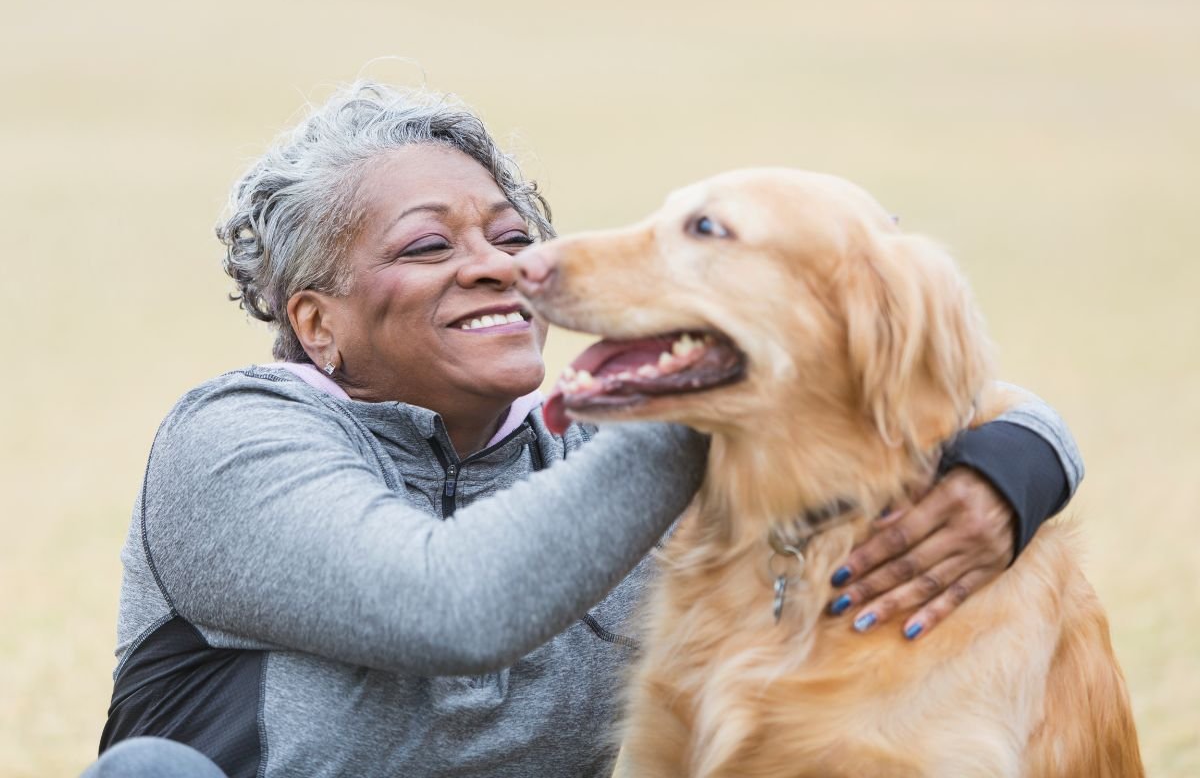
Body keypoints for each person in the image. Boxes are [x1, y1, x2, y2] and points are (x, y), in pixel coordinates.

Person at [88, 82, 1083, 778]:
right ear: (316, 322)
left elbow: (893, 371)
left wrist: (1023, 455)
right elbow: (454, 603)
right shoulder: (234, 441)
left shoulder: (603, 439)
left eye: (514, 235)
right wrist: (717, 380)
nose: (505, 266)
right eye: (430, 244)